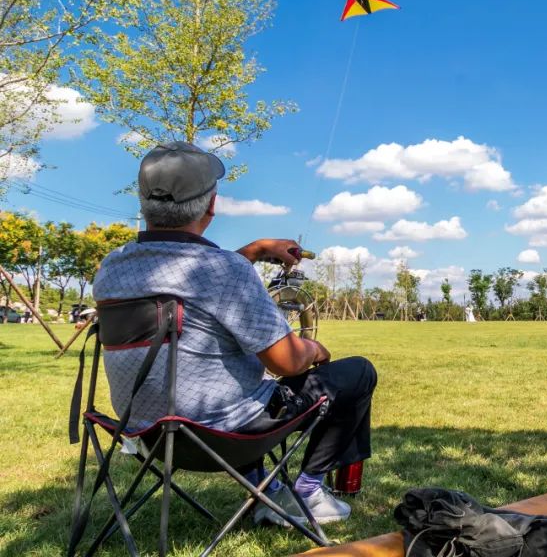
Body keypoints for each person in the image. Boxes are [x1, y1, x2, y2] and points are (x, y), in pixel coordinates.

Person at [93, 142, 377, 526]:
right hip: (222, 436)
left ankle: (266, 488)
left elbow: (190, 281)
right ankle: (306, 490)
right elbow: (287, 362)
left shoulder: (112, 268)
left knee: (234, 372)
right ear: (211, 205)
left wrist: (255, 251)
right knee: (358, 372)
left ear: (143, 203)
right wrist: (315, 348)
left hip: (146, 432)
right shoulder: (223, 271)